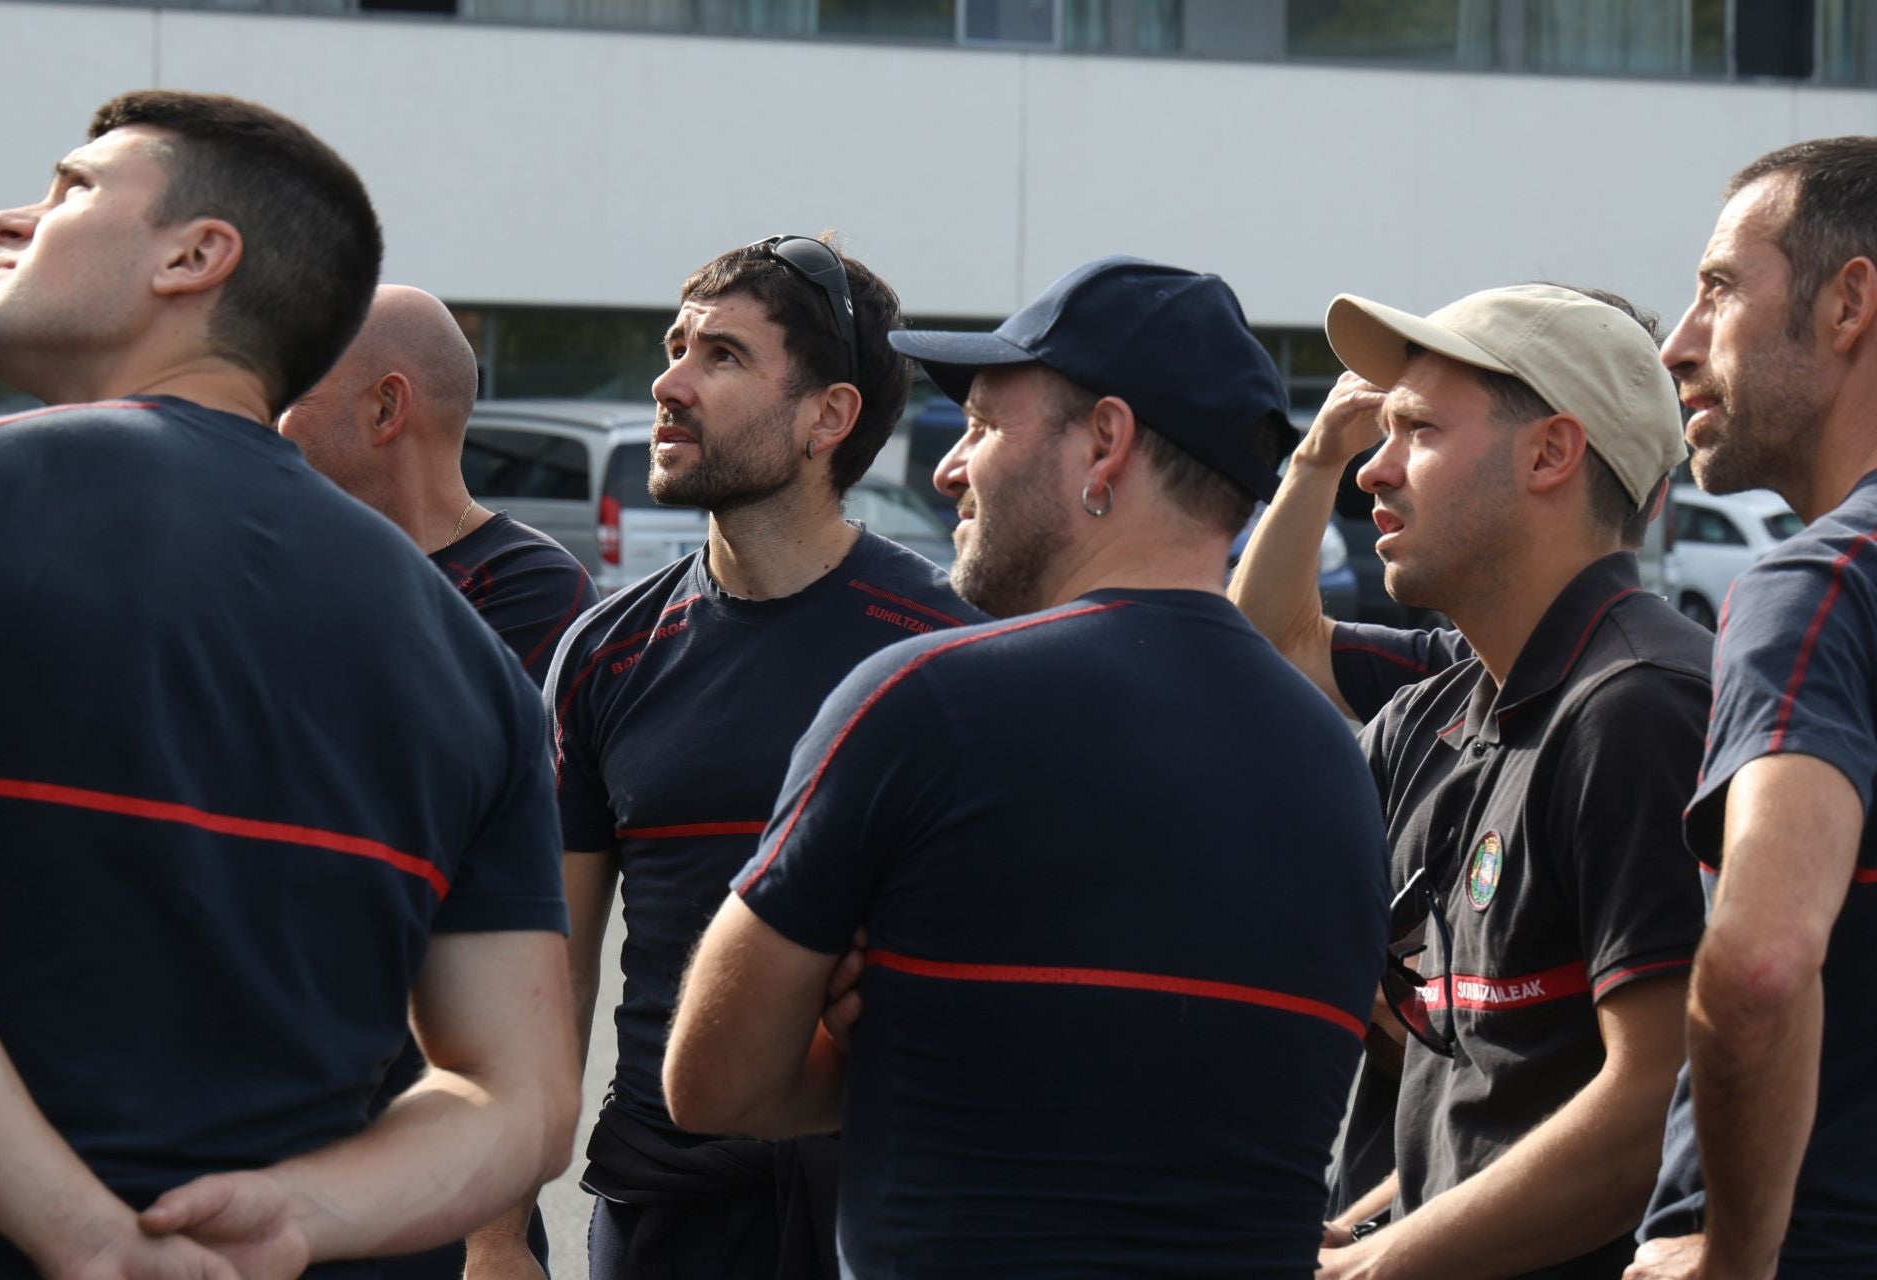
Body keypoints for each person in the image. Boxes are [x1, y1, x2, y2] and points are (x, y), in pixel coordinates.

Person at [661, 255, 1390, 1277]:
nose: (950, 468)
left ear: (1104, 444)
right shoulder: (1342, 773)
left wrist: (886, 1036)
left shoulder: (920, 704)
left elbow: (710, 1079)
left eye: (985, 426)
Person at [0, 90, 579, 1278]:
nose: (11, 217)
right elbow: (527, 1098)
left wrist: (81, 1233)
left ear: (197, 257)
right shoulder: (465, 655)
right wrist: (298, 1214)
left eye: (72, 188)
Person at [466, 234, 977, 1280]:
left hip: (885, 1206)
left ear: (826, 418)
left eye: (722, 356)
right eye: (675, 345)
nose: (669, 381)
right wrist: (493, 1234)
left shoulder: (943, 647)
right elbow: (543, 983)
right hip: (664, 1208)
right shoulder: (604, 652)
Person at [1236, 284, 1710, 1279]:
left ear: (1551, 454)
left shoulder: (1639, 706)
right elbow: (1490, 1093)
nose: (1374, 466)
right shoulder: (1439, 714)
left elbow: (1658, 1106)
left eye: (1419, 430)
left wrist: (1378, 1262)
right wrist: (1365, 1226)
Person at [279, 283, 589, 1276]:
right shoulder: (290, 563)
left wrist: (496, 1233)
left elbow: (507, 915)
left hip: (434, 1147)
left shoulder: (530, 592)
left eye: (294, 384)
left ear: (385, 408)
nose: (268, 411)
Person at [1626, 136, 1877, 1280]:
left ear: (1849, 302)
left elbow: (1763, 961)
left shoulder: (1819, 585)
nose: (1680, 342)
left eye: (1720, 287)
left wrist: (1733, 1255)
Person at [280, 283, 596, 690]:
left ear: (386, 408)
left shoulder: (531, 587)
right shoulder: (298, 561)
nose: (271, 421)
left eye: (294, 397)